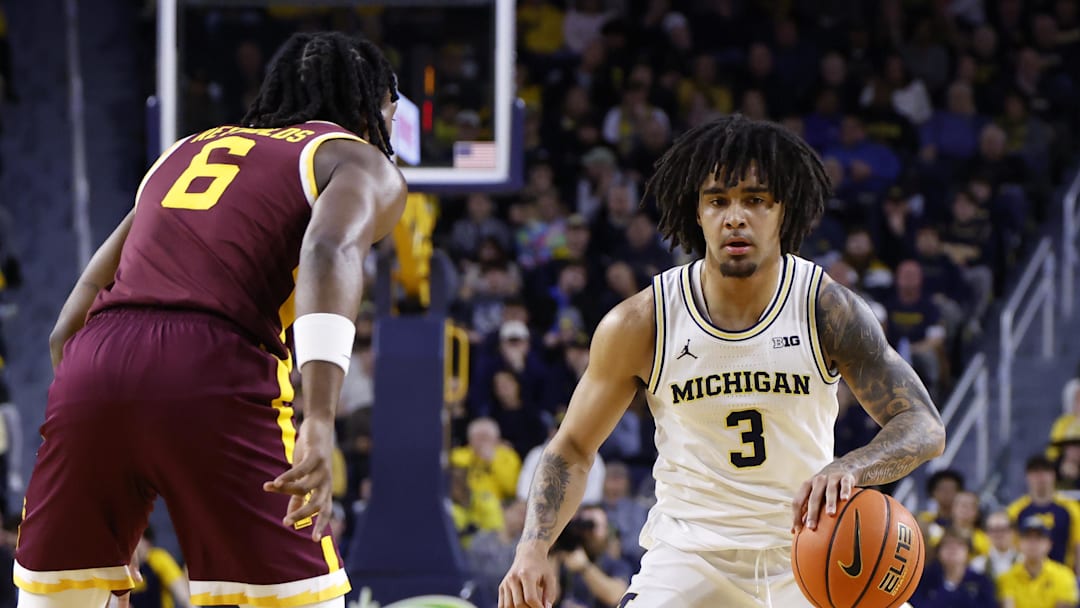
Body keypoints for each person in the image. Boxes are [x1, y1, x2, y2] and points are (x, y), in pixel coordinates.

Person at [13, 31, 407, 608]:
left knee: (62, 598)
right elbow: (328, 251)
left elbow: (67, 325)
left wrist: (102, 428)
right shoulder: (355, 158)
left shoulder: (183, 152)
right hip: (213, 364)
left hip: (91, 367)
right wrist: (320, 419)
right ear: (374, 106)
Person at [499, 115, 945, 608]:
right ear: (697, 213)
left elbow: (923, 425)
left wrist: (850, 468)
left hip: (813, 547)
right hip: (691, 556)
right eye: (718, 201)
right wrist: (532, 548)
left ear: (783, 211)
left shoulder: (825, 307)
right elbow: (574, 447)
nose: (735, 217)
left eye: (755, 199)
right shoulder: (642, 322)